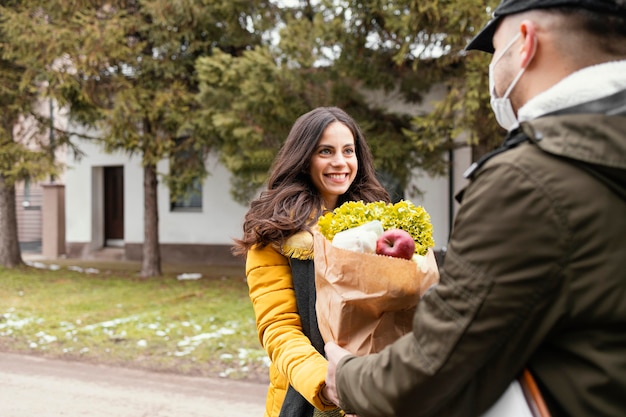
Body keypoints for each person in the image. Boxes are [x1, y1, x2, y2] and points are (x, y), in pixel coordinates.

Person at [323, 0, 626, 416]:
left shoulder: (528, 181)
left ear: (525, 43)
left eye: (494, 49)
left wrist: (348, 377)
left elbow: (436, 370)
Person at [232, 106, 391, 417]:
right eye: (325, 151)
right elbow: (279, 330)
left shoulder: (377, 224)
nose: (340, 162)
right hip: (311, 396)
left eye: (348, 150)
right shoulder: (274, 232)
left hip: (375, 390)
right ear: (304, 158)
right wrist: (329, 386)